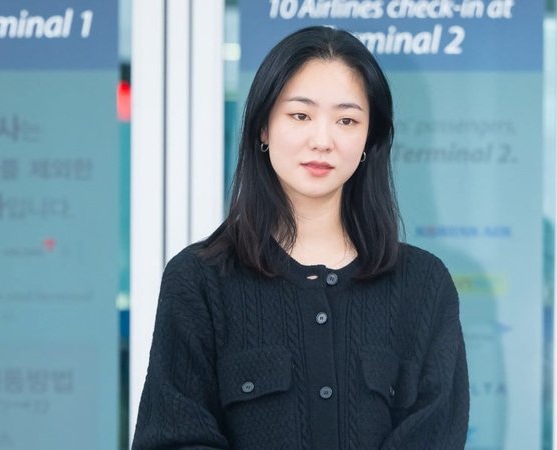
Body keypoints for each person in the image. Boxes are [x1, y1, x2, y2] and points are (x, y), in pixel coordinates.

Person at [132, 26, 469, 450]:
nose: (322, 140)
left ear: (369, 138)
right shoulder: (199, 280)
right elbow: (173, 438)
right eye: (300, 115)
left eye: (346, 120)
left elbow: (434, 436)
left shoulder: (424, 285)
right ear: (263, 128)